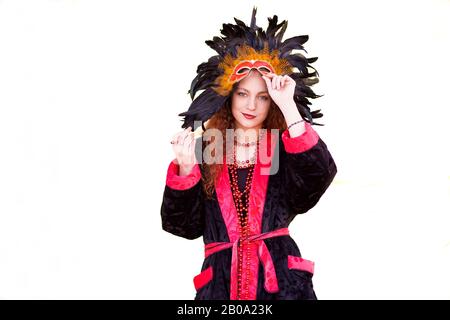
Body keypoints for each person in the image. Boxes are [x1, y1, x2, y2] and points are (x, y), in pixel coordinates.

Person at [160, 7, 338, 300]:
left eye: (263, 97)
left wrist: (288, 105)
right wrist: (185, 169)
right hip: (221, 287)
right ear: (228, 96)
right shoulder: (208, 148)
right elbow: (182, 226)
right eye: (243, 93)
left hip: (281, 286)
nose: (251, 105)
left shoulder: (280, 147)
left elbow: (314, 184)